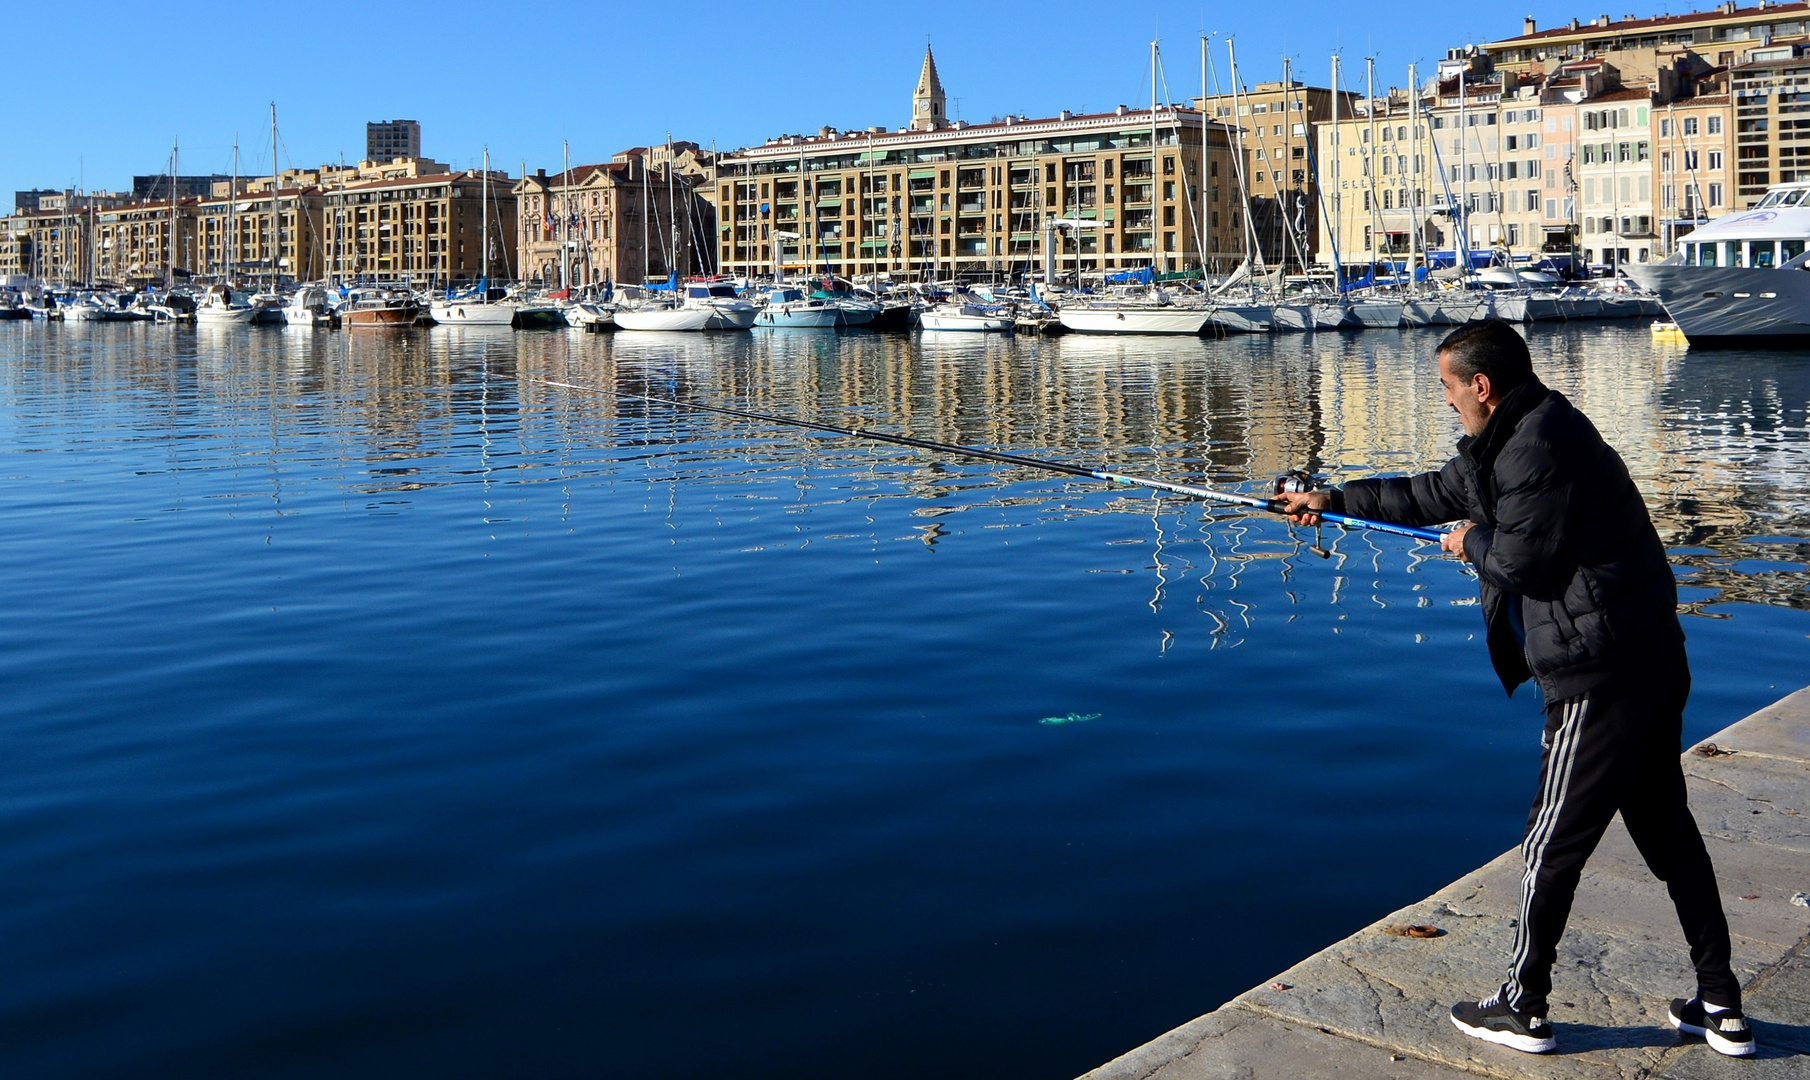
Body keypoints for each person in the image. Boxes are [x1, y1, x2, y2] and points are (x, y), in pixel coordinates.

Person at [1274, 320, 1752, 1058]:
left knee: (1548, 846)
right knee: (1667, 833)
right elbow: (1426, 493)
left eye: (1447, 386)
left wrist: (1472, 544)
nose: (1445, 400)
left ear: (1482, 386)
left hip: (1602, 674)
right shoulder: (1519, 434)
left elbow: (1523, 564)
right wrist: (1330, 499)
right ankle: (1720, 1004)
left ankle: (1523, 1005)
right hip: (1646, 660)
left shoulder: (1537, 444)